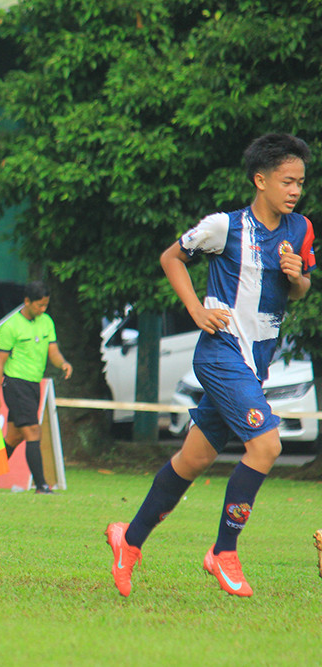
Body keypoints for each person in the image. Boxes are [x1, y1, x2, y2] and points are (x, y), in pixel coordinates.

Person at [106, 133, 314, 598]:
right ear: (260, 181)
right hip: (221, 354)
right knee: (266, 446)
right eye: (287, 181)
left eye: (300, 182)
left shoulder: (300, 230)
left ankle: (129, 539)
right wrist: (197, 311)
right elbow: (171, 257)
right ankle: (223, 551)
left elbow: (299, 291)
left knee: (194, 458)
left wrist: (296, 276)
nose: (296, 191)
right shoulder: (225, 227)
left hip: (254, 362)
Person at [0, 281, 72, 494]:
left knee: (14, 436)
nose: (42, 310)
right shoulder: (11, 327)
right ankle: (42, 485)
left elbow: (53, 351)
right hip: (15, 383)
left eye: (45, 306)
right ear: (27, 302)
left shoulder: (46, 322)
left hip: (33, 384)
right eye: (39, 306)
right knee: (33, 430)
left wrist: (62, 363)